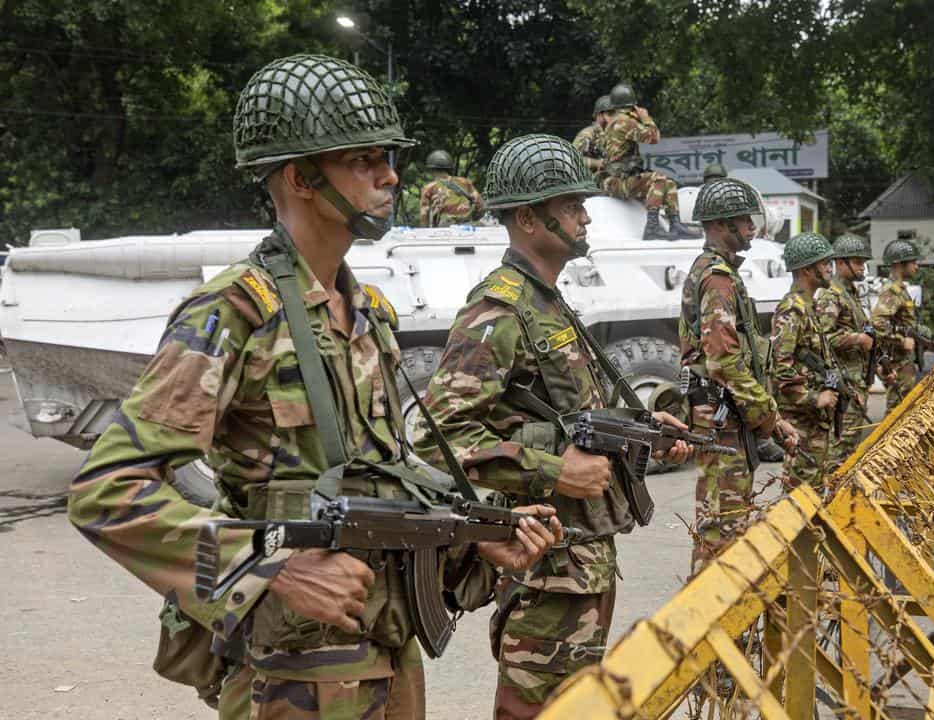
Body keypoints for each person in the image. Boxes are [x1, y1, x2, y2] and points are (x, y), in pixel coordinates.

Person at [66, 54, 561, 720]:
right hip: (294, 680)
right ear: (301, 177)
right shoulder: (233, 314)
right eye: (363, 160)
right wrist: (272, 563)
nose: (390, 175)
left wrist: (472, 532)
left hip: (391, 655)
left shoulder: (371, 313)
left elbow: (381, 477)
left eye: (387, 157)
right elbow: (108, 491)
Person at [418, 133, 693, 720]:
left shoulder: (547, 302)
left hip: (581, 564)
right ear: (528, 218)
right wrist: (553, 470)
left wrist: (639, 427)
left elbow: (568, 416)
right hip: (545, 572)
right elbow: (437, 441)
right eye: (570, 205)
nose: (585, 215)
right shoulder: (499, 309)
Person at [679, 177, 799, 572]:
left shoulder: (719, 273)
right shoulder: (717, 277)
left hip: (728, 418)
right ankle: (706, 621)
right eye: (744, 221)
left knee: (728, 523)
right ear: (720, 225)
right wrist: (767, 414)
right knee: (722, 532)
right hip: (723, 420)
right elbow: (723, 360)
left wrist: (769, 416)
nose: (752, 228)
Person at [770, 232, 839, 491]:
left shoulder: (809, 307)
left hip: (814, 422)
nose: (829, 269)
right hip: (800, 422)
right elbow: (780, 367)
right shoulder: (792, 309)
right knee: (798, 498)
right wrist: (814, 398)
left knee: (812, 493)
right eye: (824, 263)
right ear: (807, 269)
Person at [598, 83, 701, 240]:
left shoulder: (615, 122)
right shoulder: (625, 121)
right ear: (633, 106)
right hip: (617, 182)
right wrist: (646, 117)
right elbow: (654, 137)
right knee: (658, 179)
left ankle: (676, 224)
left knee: (669, 183)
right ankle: (652, 227)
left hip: (617, 180)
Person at [813, 234, 876, 471]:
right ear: (841, 263)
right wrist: (858, 339)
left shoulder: (851, 294)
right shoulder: (832, 295)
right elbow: (823, 339)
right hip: (844, 385)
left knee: (850, 448)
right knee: (840, 448)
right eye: (858, 262)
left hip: (855, 381)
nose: (862, 267)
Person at [871, 239, 934, 412]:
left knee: (904, 411)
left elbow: (912, 329)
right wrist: (900, 340)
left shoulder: (901, 290)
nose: (917, 266)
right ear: (899, 264)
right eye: (913, 262)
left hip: (906, 362)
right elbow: (877, 324)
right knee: (897, 413)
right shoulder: (892, 291)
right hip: (898, 363)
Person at [418, 149, 485, 227]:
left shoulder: (428, 188)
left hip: (445, 226)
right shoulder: (464, 182)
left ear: (431, 169)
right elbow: (480, 204)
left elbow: (424, 212)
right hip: (468, 224)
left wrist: (423, 230)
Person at [572, 95, 611, 173]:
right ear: (599, 115)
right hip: (588, 181)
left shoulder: (613, 134)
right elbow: (573, 160)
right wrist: (598, 163)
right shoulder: (587, 134)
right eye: (610, 113)